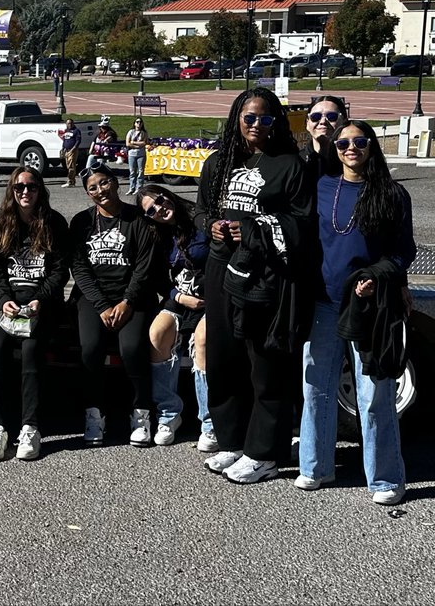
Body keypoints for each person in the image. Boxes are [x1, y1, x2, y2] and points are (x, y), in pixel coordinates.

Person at [194, 87, 312, 484]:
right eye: (249, 117)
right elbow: (201, 210)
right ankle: (232, 440)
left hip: (264, 274)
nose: (257, 125)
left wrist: (251, 230)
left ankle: (265, 452)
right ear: (236, 120)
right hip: (220, 268)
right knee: (224, 357)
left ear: (276, 121)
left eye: (265, 118)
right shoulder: (218, 163)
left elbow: (302, 222)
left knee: (264, 361)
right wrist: (209, 225)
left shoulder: (289, 165)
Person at [298, 121, 414, 505]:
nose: (351, 148)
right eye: (344, 142)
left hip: (369, 306)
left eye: (359, 141)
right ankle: (315, 466)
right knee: (316, 387)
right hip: (324, 302)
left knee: (374, 393)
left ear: (371, 147)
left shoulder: (392, 194)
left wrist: (379, 276)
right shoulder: (322, 187)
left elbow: (403, 251)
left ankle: (384, 479)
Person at [69, 164, 162, 447]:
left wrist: (128, 302)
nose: (101, 191)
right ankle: (94, 414)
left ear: (115, 183)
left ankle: (141, 413)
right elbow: (79, 267)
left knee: (132, 347)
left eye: (105, 183)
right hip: (94, 298)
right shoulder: (81, 222)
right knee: (91, 347)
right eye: (93, 188)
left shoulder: (138, 220)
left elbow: (144, 267)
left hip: (132, 297)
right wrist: (100, 305)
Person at [0, 168, 70, 461]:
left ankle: (30, 426)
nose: (25, 192)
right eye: (19, 187)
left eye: (31, 186)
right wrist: (2, 298)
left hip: (40, 303)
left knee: (32, 351)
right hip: (7, 302)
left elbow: (59, 269)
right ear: (12, 190)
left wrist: (40, 299)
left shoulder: (53, 222)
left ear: (40, 189)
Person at [136, 184, 210, 449]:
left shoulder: (200, 218)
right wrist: (178, 297)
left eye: (160, 201)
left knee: (202, 342)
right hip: (181, 298)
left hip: (211, 300)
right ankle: (169, 413)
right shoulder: (159, 235)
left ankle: (209, 421)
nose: (159, 210)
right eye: (151, 210)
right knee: (157, 334)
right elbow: (156, 278)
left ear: (168, 195)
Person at [300, 95, 348, 184]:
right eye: (315, 117)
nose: (323, 121)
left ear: (344, 121)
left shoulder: (352, 162)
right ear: (307, 123)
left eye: (332, 116)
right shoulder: (296, 162)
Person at [125, 117, 149, 194]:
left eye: (140, 122)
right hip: (132, 154)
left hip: (141, 154)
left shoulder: (144, 132)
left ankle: (139, 188)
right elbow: (128, 143)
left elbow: (144, 143)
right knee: (132, 172)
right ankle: (132, 188)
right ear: (134, 123)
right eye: (137, 122)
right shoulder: (131, 132)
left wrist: (134, 142)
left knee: (140, 171)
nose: (139, 123)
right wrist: (137, 145)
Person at [60, 118, 82, 188]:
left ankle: (70, 181)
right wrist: (63, 148)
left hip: (72, 150)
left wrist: (73, 149)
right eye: (68, 123)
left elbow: (78, 141)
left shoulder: (76, 131)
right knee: (68, 166)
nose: (69, 125)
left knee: (71, 166)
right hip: (66, 150)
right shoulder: (66, 131)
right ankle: (72, 181)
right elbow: (64, 140)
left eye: (70, 123)